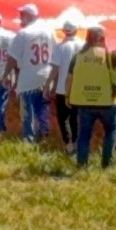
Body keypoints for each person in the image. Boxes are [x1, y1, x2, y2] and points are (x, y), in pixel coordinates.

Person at [67, 25, 116, 168]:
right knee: (111, 130)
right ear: (102, 39)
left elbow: (69, 79)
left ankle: (82, 165)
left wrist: (67, 96)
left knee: (84, 134)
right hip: (107, 101)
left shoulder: (78, 56)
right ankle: (107, 164)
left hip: (85, 101)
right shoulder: (109, 56)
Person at [3, 4, 55, 142]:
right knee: (42, 107)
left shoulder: (23, 33)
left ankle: (29, 138)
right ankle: (44, 134)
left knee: (27, 109)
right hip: (46, 74)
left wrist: (6, 74)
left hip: (29, 76)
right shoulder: (49, 32)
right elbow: (55, 54)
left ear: (29, 16)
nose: (20, 17)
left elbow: (13, 57)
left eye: (22, 14)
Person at [46, 21, 81, 154]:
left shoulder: (61, 47)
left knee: (63, 118)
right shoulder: (83, 45)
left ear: (64, 31)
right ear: (76, 30)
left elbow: (55, 69)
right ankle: (76, 143)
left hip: (63, 88)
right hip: (78, 88)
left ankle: (69, 144)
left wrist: (48, 84)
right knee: (74, 117)